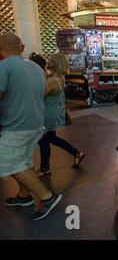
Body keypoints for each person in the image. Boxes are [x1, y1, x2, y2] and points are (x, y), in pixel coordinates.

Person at [0, 33, 62, 221]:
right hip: (35, 124)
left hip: (16, 126)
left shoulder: (3, 67)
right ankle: (23, 196)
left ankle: (47, 197)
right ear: (22, 46)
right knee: (24, 161)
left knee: (6, 162)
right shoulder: (36, 67)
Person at [37, 53, 85, 177]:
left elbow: (39, 96)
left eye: (50, 60)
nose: (48, 61)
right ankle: (76, 153)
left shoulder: (53, 80)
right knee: (51, 138)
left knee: (43, 140)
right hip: (52, 112)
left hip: (47, 113)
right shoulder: (59, 77)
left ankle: (44, 168)